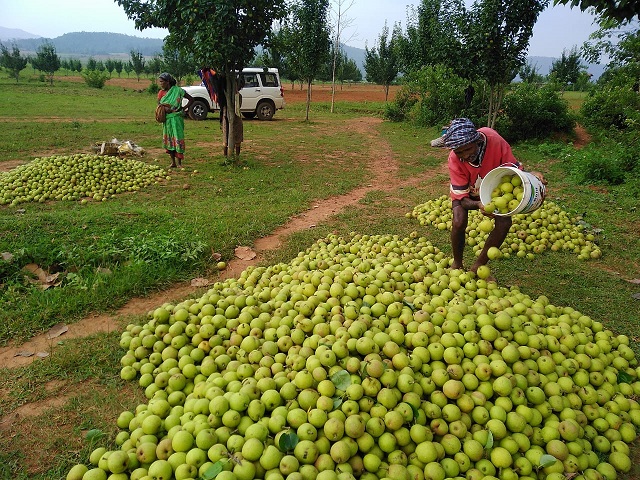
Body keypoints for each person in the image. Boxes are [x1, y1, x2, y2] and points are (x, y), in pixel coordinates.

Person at [431, 117, 546, 273]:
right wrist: (479, 204)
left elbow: (513, 173)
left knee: (504, 223)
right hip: (468, 191)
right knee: (458, 220)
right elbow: (462, 199)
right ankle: (457, 263)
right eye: (459, 152)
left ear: (476, 141)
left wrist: (531, 175)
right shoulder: (454, 159)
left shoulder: (494, 140)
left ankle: (479, 266)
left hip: (494, 189)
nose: (465, 155)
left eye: (468, 149)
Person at [157, 72, 193, 168]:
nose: (160, 83)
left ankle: (179, 163)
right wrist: (165, 109)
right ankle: (173, 162)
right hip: (167, 120)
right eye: (159, 82)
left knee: (178, 137)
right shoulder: (161, 93)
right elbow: (159, 105)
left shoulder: (178, 90)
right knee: (169, 140)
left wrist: (183, 108)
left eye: (162, 81)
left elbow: (191, 99)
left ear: (167, 82)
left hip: (177, 118)